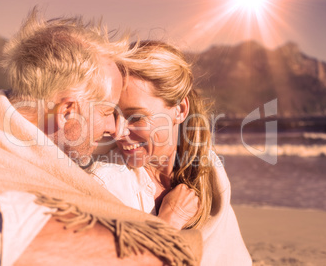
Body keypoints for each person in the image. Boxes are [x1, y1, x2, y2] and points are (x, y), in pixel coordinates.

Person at [0, 10, 202, 265]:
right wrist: (163, 235)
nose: (116, 129)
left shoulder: (3, 143)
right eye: (108, 112)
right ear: (67, 112)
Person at [90, 41, 252, 265]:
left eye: (136, 117)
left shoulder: (210, 169)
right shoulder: (107, 183)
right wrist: (168, 221)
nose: (118, 132)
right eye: (113, 114)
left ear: (180, 110)